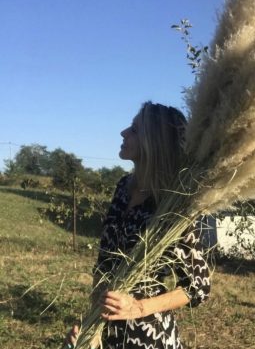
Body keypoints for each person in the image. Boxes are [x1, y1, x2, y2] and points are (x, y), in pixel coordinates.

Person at [66, 102, 211, 349]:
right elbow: (104, 263)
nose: (123, 133)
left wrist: (137, 307)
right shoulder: (123, 187)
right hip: (106, 328)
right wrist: (92, 325)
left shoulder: (173, 201)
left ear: (154, 141)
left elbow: (198, 286)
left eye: (134, 129)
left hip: (147, 336)